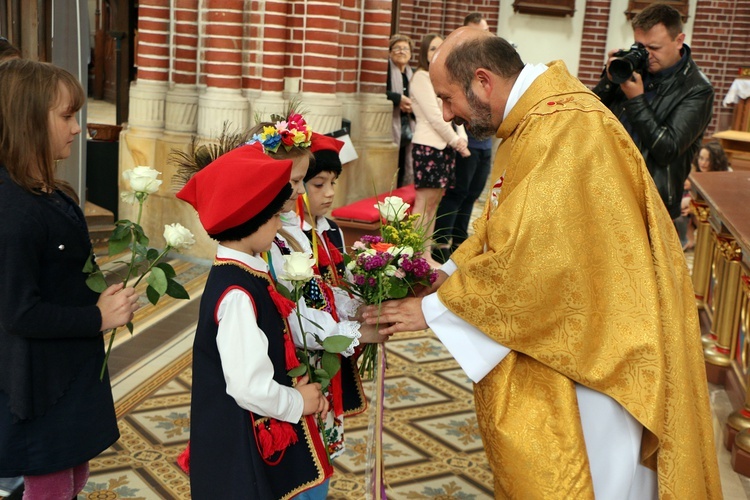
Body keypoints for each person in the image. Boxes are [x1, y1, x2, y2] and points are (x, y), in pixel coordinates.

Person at [364, 28, 721, 498]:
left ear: (483, 81)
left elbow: (536, 265)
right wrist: (444, 275)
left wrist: (432, 311)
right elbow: (503, 230)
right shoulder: (536, 119)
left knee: (593, 482)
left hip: (598, 357)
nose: (447, 114)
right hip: (581, 333)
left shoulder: (561, 131)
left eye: (449, 99)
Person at [0, 59, 140, 499]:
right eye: (66, 116)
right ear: (28, 122)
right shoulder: (13, 210)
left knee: (73, 477)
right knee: (51, 485)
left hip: (69, 366)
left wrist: (103, 295)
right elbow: (19, 312)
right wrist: (96, 319)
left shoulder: (52, 192)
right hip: (40, 382)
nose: (78, 128)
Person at [175, 143, 332, 499]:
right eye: (275, 217)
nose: (280, 225)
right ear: (249, 220)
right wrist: (297, 402)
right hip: (237, 443)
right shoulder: (236, 293)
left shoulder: (245, 272)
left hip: (244, 432)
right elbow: (248, 386)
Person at [592, 3, 714, 224]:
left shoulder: (697, 89)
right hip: (604, 188)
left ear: (679, 40)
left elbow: (667, 149)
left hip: (650, 204)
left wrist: (636, 100)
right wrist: (609, 81)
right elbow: (590, 115)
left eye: (654, 48)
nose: (646, 55)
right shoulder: (634, 68)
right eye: (640, 46)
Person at [432, 14, 494, 263]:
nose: (487, 37)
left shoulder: (490, 65)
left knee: (472, 193)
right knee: (457, 193)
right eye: (482, 32)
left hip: (485, 143)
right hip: (465, 142)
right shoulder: (458, 68)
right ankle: (440, 244)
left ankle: (459, 241)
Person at [409, 33, 469, 265]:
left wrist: (461, 137)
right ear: (425, 52)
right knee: (423, 203)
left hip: (444, 148)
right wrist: (456, 142)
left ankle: (426, 254)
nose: (436, 53)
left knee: (434, 204)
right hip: (428, 146)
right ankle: (415, 255)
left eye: (440, 48)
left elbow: (454, 109)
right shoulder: (421, 77)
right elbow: (435, 117)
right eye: (432, 49)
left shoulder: (444, 77)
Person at [679, 141, 729, 250]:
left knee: (683, 205)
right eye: (701, 158)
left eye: (707, 160)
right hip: (697, 208)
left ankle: (691, 239)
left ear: (715, 161)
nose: (703, 163)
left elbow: (717, 203)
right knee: (680, 206)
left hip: (713, 215)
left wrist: (693, 208)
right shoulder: (695, 170)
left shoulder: (722, 176)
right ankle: (688, 238)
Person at [386, 33, 416, 187]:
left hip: (409, 128)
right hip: (390, 127)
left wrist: (413, 106)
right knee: (391, 167)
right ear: (390, 52)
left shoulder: (413, 74)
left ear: (410, 54)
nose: (401, 51)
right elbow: (379, 92)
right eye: (396, 48)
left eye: (405, 48)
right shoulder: (385, 72)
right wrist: (398, 99)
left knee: (404, 166)